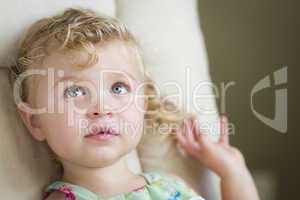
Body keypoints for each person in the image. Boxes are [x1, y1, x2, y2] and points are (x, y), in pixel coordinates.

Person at [9, 8, 260, 200]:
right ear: (34, 120)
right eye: (74, 91)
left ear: (143, 104)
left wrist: (232, 170)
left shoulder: (169, 186)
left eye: (118, 88)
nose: (102, 108)